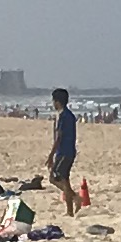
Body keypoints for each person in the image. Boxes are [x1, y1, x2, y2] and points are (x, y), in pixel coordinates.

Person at [46, 86, 81, 214]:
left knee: (53, 178)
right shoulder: (69, 115)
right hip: (69, 151)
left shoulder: (63, 116)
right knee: (65, 180)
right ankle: (70, 211)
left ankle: (76, 197)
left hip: (64, 152)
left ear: (57, 101)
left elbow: (59, 137)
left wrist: (51, 155)